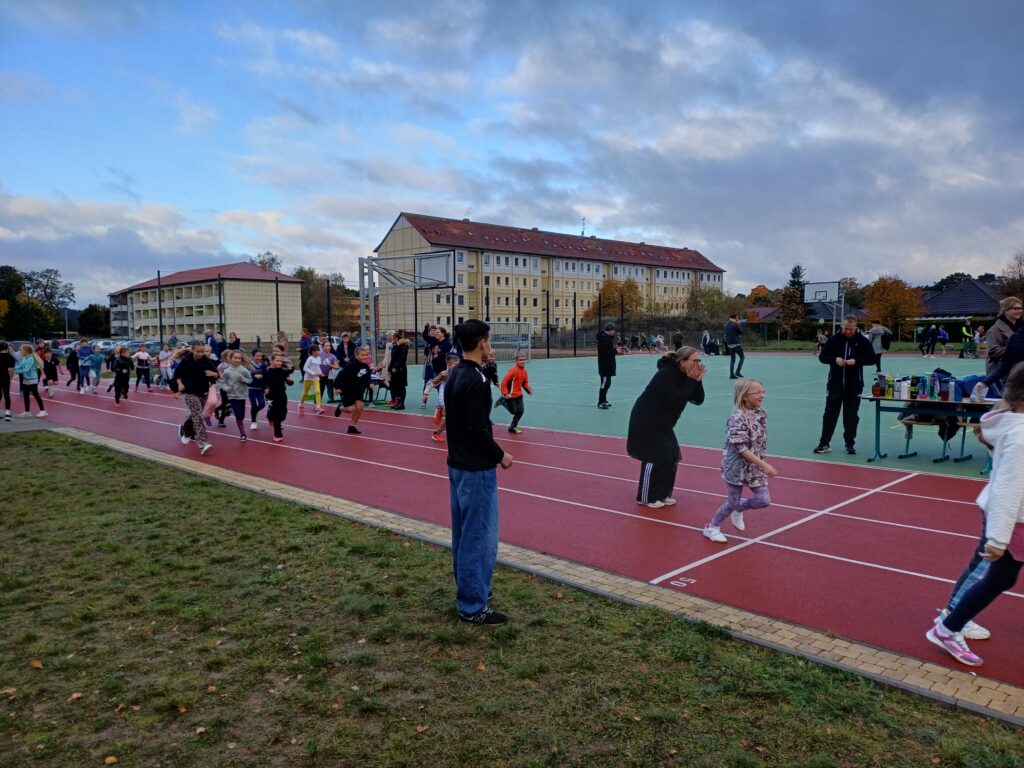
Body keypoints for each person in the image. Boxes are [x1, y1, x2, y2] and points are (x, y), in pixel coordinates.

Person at [926, 367, 1024, 667]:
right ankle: (949, 626)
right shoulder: (1020, 437)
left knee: (999, 576)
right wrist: (998, 538)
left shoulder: (1013, 424)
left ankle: (950, 623)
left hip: (1010, 516)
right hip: (1012, 519)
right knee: (998, 576)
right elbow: (1009, 487)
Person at [445, 319, 513, 626]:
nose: (490, 345)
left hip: (458, 465)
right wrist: (501, 455)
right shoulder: (477, 380)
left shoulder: (455, 374)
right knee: (479, 537)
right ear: (482, 343)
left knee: (463, 534)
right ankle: (472, 605)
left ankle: (471, 587)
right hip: (476, 469)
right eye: (489, 340)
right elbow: (477, 428)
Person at [626, 347, 706, 508]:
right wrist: (692, 381)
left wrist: (697, 381)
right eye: (694, 360)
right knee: (654, 456)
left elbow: (697, 399)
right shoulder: (666, 374)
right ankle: (646, 496)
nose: (697, 364)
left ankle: (661, 494)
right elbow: (676, 400)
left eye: (699, 360)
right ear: (682, 362)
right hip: (646, 420)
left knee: (671, 456)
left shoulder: (685, 376)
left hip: (664, 422)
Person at [703, 379, 776, 542]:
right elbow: (741, 449)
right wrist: (764, 465)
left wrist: (760, 462)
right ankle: (712, 527)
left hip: (754, 466)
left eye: (763, 391)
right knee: (733, 501)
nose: (762, 395)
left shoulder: (761, 413)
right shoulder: (736, 418)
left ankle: (739, 509)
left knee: (764, 500)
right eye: (758, 392)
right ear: (744, 396)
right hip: (736, 468)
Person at [813, 315, 875, 455]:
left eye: (851, 329)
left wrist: (857, 361)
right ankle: (824, 443)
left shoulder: (863, 341)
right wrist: (835, 359)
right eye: (846, 328)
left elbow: (872, 359)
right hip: (835, 384)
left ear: (856, 327)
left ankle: (849, 444)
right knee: (829, 414)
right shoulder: (833, 340)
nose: (848, 331)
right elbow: (822, 357)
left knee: (851, 415)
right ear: (842, 326)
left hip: (854, 385)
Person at [170, 340, 219, 455]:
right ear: (192, 350)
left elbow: (216, 374)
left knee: (195, 415)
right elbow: (177, 374)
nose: (200, 354)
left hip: (203, 392)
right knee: (198, 415)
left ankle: (186, 429)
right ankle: (202, 443)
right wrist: (178, 386)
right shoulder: (186, 360)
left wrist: (213, 375)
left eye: (202, 352)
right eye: (198, 352)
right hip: (189, 392)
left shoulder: (206, 360)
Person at [333, 345, 372, 434]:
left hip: (358, 391)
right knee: (350, 409)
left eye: (366, 355)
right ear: (357, 356)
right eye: (362, 355)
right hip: (347, 390)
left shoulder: (366, 366)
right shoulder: (351, 365)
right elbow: (340, 375)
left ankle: (352, 427)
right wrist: (337, 387)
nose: (365, 357)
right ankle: (340, 408)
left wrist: (370, 383)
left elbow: (367, 377)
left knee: (360, 408)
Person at [218, 350, 253, 441]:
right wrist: (227, 388)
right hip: (232, 395)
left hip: (242, 395)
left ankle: (230, 409)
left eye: (239, 358)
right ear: (231, 359)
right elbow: (222, 382)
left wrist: (243, 379)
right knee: (238, 414)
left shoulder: (244, 370)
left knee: (241, 416)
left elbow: (250, 380)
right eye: (235, 358)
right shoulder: (227, 371)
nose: (237, 360)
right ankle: (242, 434)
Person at [985, 297, 1023, 379]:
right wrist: (1017, 349)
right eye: (1015, 308)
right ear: (1005, 310)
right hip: (1002, 376)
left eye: (1020, 308)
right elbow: (993, 351)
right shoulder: (994, 330)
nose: (1019, 311)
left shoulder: (1020, 328)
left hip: (1018, 373)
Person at [498, 351, 533, 434]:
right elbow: (504, 382)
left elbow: (524, 383)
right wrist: (505, 393)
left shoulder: (524, 371)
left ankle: (512, 427)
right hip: (511, 395)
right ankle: (502, 400)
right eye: (521, 360)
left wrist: (528, 390)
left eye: (524, 359)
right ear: (516, 360)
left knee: (520, 411)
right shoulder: (513, 370)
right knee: (514, 411)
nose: (523, 361)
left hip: (519, 395)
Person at [263, 353, 294, 442]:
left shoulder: (283, 371)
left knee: (283, 412)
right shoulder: (267, 372)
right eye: (277, 361)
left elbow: (290, 383)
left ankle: (270, 417)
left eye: (280, 361)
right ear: (272, 361)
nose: (279, 363)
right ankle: (277, 434)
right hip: (271, 396)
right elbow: (263, 382)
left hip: (282, 395)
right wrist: (265, 388)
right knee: (276, 414)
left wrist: (291, 381)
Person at [431, 353, 460, 443]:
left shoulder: (458, 373)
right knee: (449, 418)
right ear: (449, 365)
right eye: (455, 364)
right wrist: (438, 383)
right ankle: (437, 433)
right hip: (444, 398)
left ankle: (441, 411)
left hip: (454, 398)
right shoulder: (444, 374)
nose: (458, 365)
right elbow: (433, 383)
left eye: (458, 363)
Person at [14, 345, 47, 417]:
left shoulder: (31, 359)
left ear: (26, 351)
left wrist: (14, 371)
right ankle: (27, 411)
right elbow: (20, 366)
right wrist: (13, 368)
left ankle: (43, 411)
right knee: (26, 395)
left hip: (32, 379)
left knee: (36, 394)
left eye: (21, 350)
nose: (20, 351)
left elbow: (26, 369)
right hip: (26, 379)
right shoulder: (25, 358)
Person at [298, 343, 324, 415]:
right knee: (305, 393)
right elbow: (305, 368)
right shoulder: (310, 359)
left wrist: (320, 373)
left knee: (318, 391)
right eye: (315, 351)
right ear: (312, 352)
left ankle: (318, 407)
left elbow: (317, 367)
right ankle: (300, 404)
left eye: (318, 350)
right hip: (308, 378)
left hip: (316, 379)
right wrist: (313, 373)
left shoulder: (319, 358)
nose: (317, 352)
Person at [596, 322, 617, 409]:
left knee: (607, 383)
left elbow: (607, 350)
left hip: (608, 365)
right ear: (609, 330)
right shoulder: (604, 339)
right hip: (604, 366)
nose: (614, 331)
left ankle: (604, 400)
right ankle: (601, 402)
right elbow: (603, 352)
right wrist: (615, 351)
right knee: (604, 384)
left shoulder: (607, 338)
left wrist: (615, 350)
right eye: (613, 330)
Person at [388, 330, 410, 410]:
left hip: (400, 370)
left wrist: (396, 367)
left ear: (397, 338)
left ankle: (402, 403)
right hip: (394, 370)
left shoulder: (403, 346)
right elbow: (393, 358)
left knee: (401, 386)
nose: (392, 340)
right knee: (395, 386)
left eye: (393, 338)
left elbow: (402, 359)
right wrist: (390, 369)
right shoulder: (395, 346)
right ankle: (398, 402)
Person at [247, 349, 268, 430]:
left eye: (260, 356)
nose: (259, 358)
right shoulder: (249, 365)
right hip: (251, 388)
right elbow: (246, 376)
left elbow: (265, 376)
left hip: (260, 388)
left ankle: (254, 412)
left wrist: (266, 387)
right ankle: (253, 421)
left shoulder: (263, 365)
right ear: (253, 356)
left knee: (262, 404)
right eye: (257, 356)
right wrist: (254, 377)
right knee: (254, 405)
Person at [723, 313, 744, 379]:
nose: (738, 319)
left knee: (732, 360)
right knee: (742, 357)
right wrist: (739, 324)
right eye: (737, 318)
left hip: (729, 344)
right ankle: (737, 371)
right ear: (735, 318)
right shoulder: (735, 324)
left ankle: (731, 375)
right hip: (736, 343)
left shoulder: (726, 325)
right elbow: (741, 332)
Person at [0, 341, 15, 420]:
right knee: (6, 395)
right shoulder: (10, 358)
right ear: (7, 348)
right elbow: (10, 369)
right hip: (5, 378)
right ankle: (7, 414)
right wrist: (11, 378)